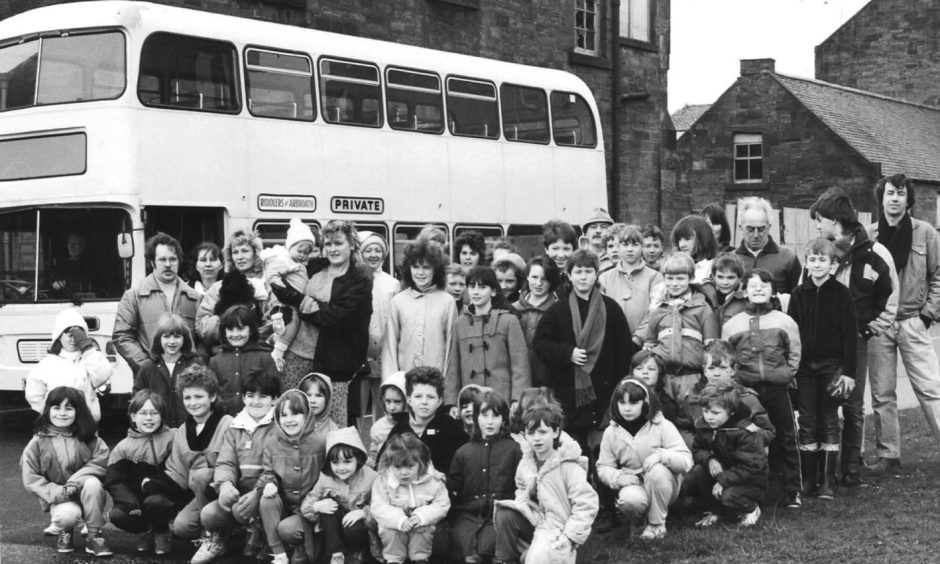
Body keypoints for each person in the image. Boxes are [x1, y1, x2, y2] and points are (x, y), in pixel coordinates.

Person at [810, 187, 897, 486]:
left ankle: (850, 469)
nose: (817, 226)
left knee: (853, 405)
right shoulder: (821, 252)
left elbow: (890, 300)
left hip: (855, 342)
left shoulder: (874, 254)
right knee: (823, 403)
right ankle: (822, 468)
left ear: (835, 219)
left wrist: (867, 331)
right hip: (822, 343)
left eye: (820, 219)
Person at [868, 173, 940, 474]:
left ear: (908, 198)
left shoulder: (925, 233)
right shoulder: (870, 235)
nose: (894, 198)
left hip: (913, 320)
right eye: (889, 193)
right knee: (882, 392)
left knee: (930, 388)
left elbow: (938, 276)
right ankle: (889, 454)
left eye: (899, 193)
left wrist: (927, 315)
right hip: (880, 325)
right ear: (881, 198)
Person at [270, 220, 373, 427]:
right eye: (328, 244)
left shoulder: (359, 280)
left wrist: (297, 300)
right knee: (292, 417)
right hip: (297, 355)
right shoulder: (314, 266)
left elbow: (337, 319)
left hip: (334, 363)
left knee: (332, 427)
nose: (332, 249)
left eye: (338, 243)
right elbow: (281, 281)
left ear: (351, 244)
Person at [722, 269, 802, 508]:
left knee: (787, 437)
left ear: (773, 291)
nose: (758, 289)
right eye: (753, 285)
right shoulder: (733, 324)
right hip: (747, 393)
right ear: (744, 291)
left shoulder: (784, 321)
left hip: (778, 390)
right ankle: (752, 490)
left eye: (764, 285)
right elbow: (728, 358)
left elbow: (794, 354)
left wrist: (786, 374)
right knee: (749, 438)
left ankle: (793, 490)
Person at [788, 238, 858, 500]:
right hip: (804, 368)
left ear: (833, 265)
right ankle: (808, 480)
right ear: (806, 263)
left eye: (822, 260)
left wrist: (849, 373)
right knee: (806, 420)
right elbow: (792, 335)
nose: (817, 264)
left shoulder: (841, 294)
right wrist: (792, 369)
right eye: (812, 259)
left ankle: (827, 480)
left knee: (829, 419)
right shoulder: (798, 295)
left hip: (831, 367)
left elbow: (851, 337)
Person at [493, 403, 598, 564]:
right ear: (525, 435)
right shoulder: (526, 463)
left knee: (532, 559)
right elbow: (521, 489)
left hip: (560, 528)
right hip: (537, 521)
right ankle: (506, 560)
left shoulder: (568, 465)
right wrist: (525, 507)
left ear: (556, 432)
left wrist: (569, 537)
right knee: (505, 514)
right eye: (531, 433)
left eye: (543, 432)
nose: (537, 438)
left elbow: (586, 504)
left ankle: (533, 554)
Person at [195, 369, 281, 563]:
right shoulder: (236, 426)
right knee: (209, 514)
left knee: (254, 506)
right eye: (251, 396)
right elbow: (226, 461)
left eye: (263, 396)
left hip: (268, 492)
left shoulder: (279, 426)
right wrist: (225, 484)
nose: (256, 401)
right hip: (241, 493)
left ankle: (266, 536)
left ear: (274, 399)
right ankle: (218, 538)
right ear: (243, 398)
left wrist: (258, 492)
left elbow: (278, 468)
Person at [597, 379, 692, 540]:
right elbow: (603, 467)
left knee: (657, 471)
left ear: (645, 402)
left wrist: (660, 456)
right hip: (635, 483)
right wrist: (619, 477)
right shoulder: (611, 432)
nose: (627, 408)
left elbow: (686, 461)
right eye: (622, 402)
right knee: (629, 500)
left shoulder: (662, 425)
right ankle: (638, 523)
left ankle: (657, 524)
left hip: (664, 485)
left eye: (634, 403)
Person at [21, 387, 111, 556]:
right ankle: (65, 531)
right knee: (66, 517)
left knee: (93, 484)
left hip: (87, 493)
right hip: (61, 497)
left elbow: (102, 462)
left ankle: (94, 536)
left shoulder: (90, 437)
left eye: (69, 408)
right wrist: (59, 492)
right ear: (48, 410)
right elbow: (31, 478)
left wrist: (76, 481)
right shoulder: (37, 442)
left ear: (78, 412)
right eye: (56, 408)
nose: (62, 413)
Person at [448, 390, 522, 564]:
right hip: (468, 516)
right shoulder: (464, 452)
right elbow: (453, 487)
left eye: (495, 416)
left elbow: (521, 487)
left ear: (504, 419)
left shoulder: (514, 449)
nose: (489, 422)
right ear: (475, 418)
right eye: (484, 415)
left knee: (499, 551)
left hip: (501, 516)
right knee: (469, 551)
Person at [164, 366, 234, 548]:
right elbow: (177, 471)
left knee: (202, 474)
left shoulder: (228, 424)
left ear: (211, 397)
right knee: (181, 527)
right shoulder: (181, 432)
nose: (192, 402)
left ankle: (215, 535)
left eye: (199, 396)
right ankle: (218, 528)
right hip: (200, 494)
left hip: (227, 489)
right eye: (187, 397)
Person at [633, 252, 717, 402]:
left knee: (691, 416)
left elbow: (712, 348)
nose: (674, 283)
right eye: (669, 278)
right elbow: (650, 345)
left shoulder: (703, 308)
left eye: (680, 278)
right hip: (663, 379)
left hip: (693, 378)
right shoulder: (658, 310)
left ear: (691, 278)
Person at [113, 232, 202, 374]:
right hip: (150, 382)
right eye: (162, 259)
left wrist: (195, 365)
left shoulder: (194, 297)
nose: (168, 264)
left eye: (173, 259)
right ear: (152, 262)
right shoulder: (134, 296)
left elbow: (202, 340)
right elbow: (122, 337)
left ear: (179, 261)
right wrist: (147, 367)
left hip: (187, 381)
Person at [445, 266, 531, 408]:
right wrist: (452, 403)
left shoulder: (508, 321)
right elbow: (453, 368)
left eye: (482, 287)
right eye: (472, 286)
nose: (476, 292)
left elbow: (520, 365)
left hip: (502, 399)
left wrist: (517, 399)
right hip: (470, 401)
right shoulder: (459, 324)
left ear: (493, 291)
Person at [104, 390, 176, 555]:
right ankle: (146, 529)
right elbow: (114, 481)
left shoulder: (174, 438)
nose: (149, 418)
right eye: (143, 413)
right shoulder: (123, 448)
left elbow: (180, 470)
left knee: (156, 502)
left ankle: (161, 531)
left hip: (165, 496)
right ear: (133, 416)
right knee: (117, 515)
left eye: (154, 413)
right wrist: (130, 505)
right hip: (136, 500)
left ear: (162, 415)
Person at [257, 389, 324, 564]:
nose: (289, 420)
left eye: (295, 413)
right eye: (283, 415)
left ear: (307, 415)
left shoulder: (320, 442)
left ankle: (303, 544)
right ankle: (278, 552)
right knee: (267, 499)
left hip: (310, 507)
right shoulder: (272, 442)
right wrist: (269, 482)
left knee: (288, 529)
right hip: (286, 505)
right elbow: (268, 470)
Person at [686, 383, 767, 528]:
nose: (709, 417)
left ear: (731, 412)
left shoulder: (746, 432)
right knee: (699, 471)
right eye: (705, 411)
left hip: (750, 481)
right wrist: (709, 459)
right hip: (726, 473)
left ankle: (752, 508)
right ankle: (716, 512)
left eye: (715, 413)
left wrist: (723, 481)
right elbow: (697, 449)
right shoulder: (705, 427)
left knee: (729, 496)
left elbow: (751, 466)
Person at [301, 427, 379, 564]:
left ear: (358, 459)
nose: (341, 468)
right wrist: (315, 506)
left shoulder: (372, 477)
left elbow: (381, 506)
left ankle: (358, 552)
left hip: (359, 528)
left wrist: (363, 512)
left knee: (352, 526)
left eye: (347, 462)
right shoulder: (326, 477)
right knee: (327, 504)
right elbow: (310, 500)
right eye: (335, 462)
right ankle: (337, 553)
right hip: (334, 530)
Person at [382, 238, 457, 379]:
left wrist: (446, 384)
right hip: (405, 379)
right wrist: (392, 384)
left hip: (436, 381)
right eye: (415, 267)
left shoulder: (448, 302)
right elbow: (390, 348)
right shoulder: (398, 301)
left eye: (426, 267)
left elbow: (451, 348)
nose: (420, 273)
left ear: (436, 270)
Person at [371, 433, 450, 564]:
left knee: (425, 528)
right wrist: (399, 519)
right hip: (395, 523)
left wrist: (422, 516)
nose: (404, 472)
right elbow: (378, 507)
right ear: (390, 464)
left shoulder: (433, 480)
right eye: (398, 467)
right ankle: (394, 559)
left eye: (410, 466)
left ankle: (420, 558)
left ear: (421, 464)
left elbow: (442, 504)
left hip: (420, 524)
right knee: (389, 530)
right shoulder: (383, 481)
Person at [26, 307, 112, 422]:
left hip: (86, 426)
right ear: (59, 336)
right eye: (69, 335)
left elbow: (103, 375)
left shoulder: (90, 360)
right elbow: (33, 395)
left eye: (78, 336)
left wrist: (87, 349)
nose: (73, 340)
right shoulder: (46, 364)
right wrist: (52, 415)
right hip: (56, 427)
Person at [380, 366, 469, 475]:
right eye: (418, 396)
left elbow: (463, 466)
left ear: (439, 401)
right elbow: (382, 466)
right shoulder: (399, 430)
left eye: (431, 397)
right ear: (409, 399)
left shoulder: (450, 428)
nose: (424, 402)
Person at [197, 230, 269, 354]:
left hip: (259, 352)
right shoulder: (219, 287)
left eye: (245, 251)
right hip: (225, 353)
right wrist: (227, 319)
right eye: (235, 252)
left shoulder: (266, 285)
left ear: (255, 253)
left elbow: (273, 323)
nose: (240, 257)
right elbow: (202, 327)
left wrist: (251, 336)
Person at [133, 313, 205, 428]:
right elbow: (137, 403)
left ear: (184, 338)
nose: (172, 342)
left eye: (177, 336)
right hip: (159, 431)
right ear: (158, 339)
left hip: (191, 429)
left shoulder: (196, 364)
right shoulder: (148, 368)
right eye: (166, 336)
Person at [209, 304, 279, 416]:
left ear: (251, 330)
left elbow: (276, 392)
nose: (235, 334)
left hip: (259, 419)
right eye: (230, 329)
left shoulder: (265, 358)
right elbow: (212, 395)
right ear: (224, 331)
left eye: (241, 329)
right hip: (226, 421)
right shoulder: (215, 361)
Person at [359, 230, 400, 419]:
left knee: (382, 397)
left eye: (377, 250)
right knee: (359, 398)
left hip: (385, 347)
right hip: (360, 348)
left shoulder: (392, 284)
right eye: (368, 250)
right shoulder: (355, 279)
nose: (373, 254)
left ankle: (380, 435)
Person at [599, 224, 664, 337]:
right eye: (625, 244)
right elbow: (599, 313)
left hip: (645, 345)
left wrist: (638, 338)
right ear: (618, 247)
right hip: (613, 343)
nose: (630, 249)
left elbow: (655, 313)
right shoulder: (604, 278)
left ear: (642, 247)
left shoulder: (655, 277)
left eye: (635, 244)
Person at [733, 197, 802, 300]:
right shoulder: (731, 259)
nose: (756, 235)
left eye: (761, 229)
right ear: (740, 227)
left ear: (769, 227)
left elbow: (797, 300)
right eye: (750, 229)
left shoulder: (788, 259)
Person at [260, 242, 310, 374]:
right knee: (293, 322)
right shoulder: (285, 261)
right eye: (300, 250)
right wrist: (283, 291)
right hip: (285, 302)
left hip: (294, 301)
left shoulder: (298, 265)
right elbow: (272, 274)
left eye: (306, 252)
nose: (303, 255)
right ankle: (277, 353)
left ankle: (274, 339)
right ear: (290, 247)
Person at [512, 256, 560, 387]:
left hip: (548, 380)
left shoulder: (558, 310)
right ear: (527, 276)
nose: (539, 283)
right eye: (534, 277)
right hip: (518, 378)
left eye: (544, 279)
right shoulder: (514, 309)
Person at [369, 372, 407, 468]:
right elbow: (374, 457)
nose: (392, 407)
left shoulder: (414, 425)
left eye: (397, 402)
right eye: (388, 401)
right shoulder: (379, 426)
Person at [671, 215, 719, 284]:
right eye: (679, 240)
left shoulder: (714, 267)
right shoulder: (674, 266)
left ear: (702, 238)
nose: (681, 245)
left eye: (687, 239)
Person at [51, 232, 100, 297]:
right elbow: (51, 286)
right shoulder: (59, 265)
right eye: (70, 243)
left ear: (83, 245)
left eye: (75, 244)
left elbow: (101, 289)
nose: (72, 247)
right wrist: (55, 285)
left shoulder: (93, 265)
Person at [542, 219, 579, 295]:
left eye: (566, 249)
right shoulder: (540, 274)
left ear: (573, 250)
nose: (561, 255)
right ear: (546, 249)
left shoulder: (579, 276)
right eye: (555, 248)